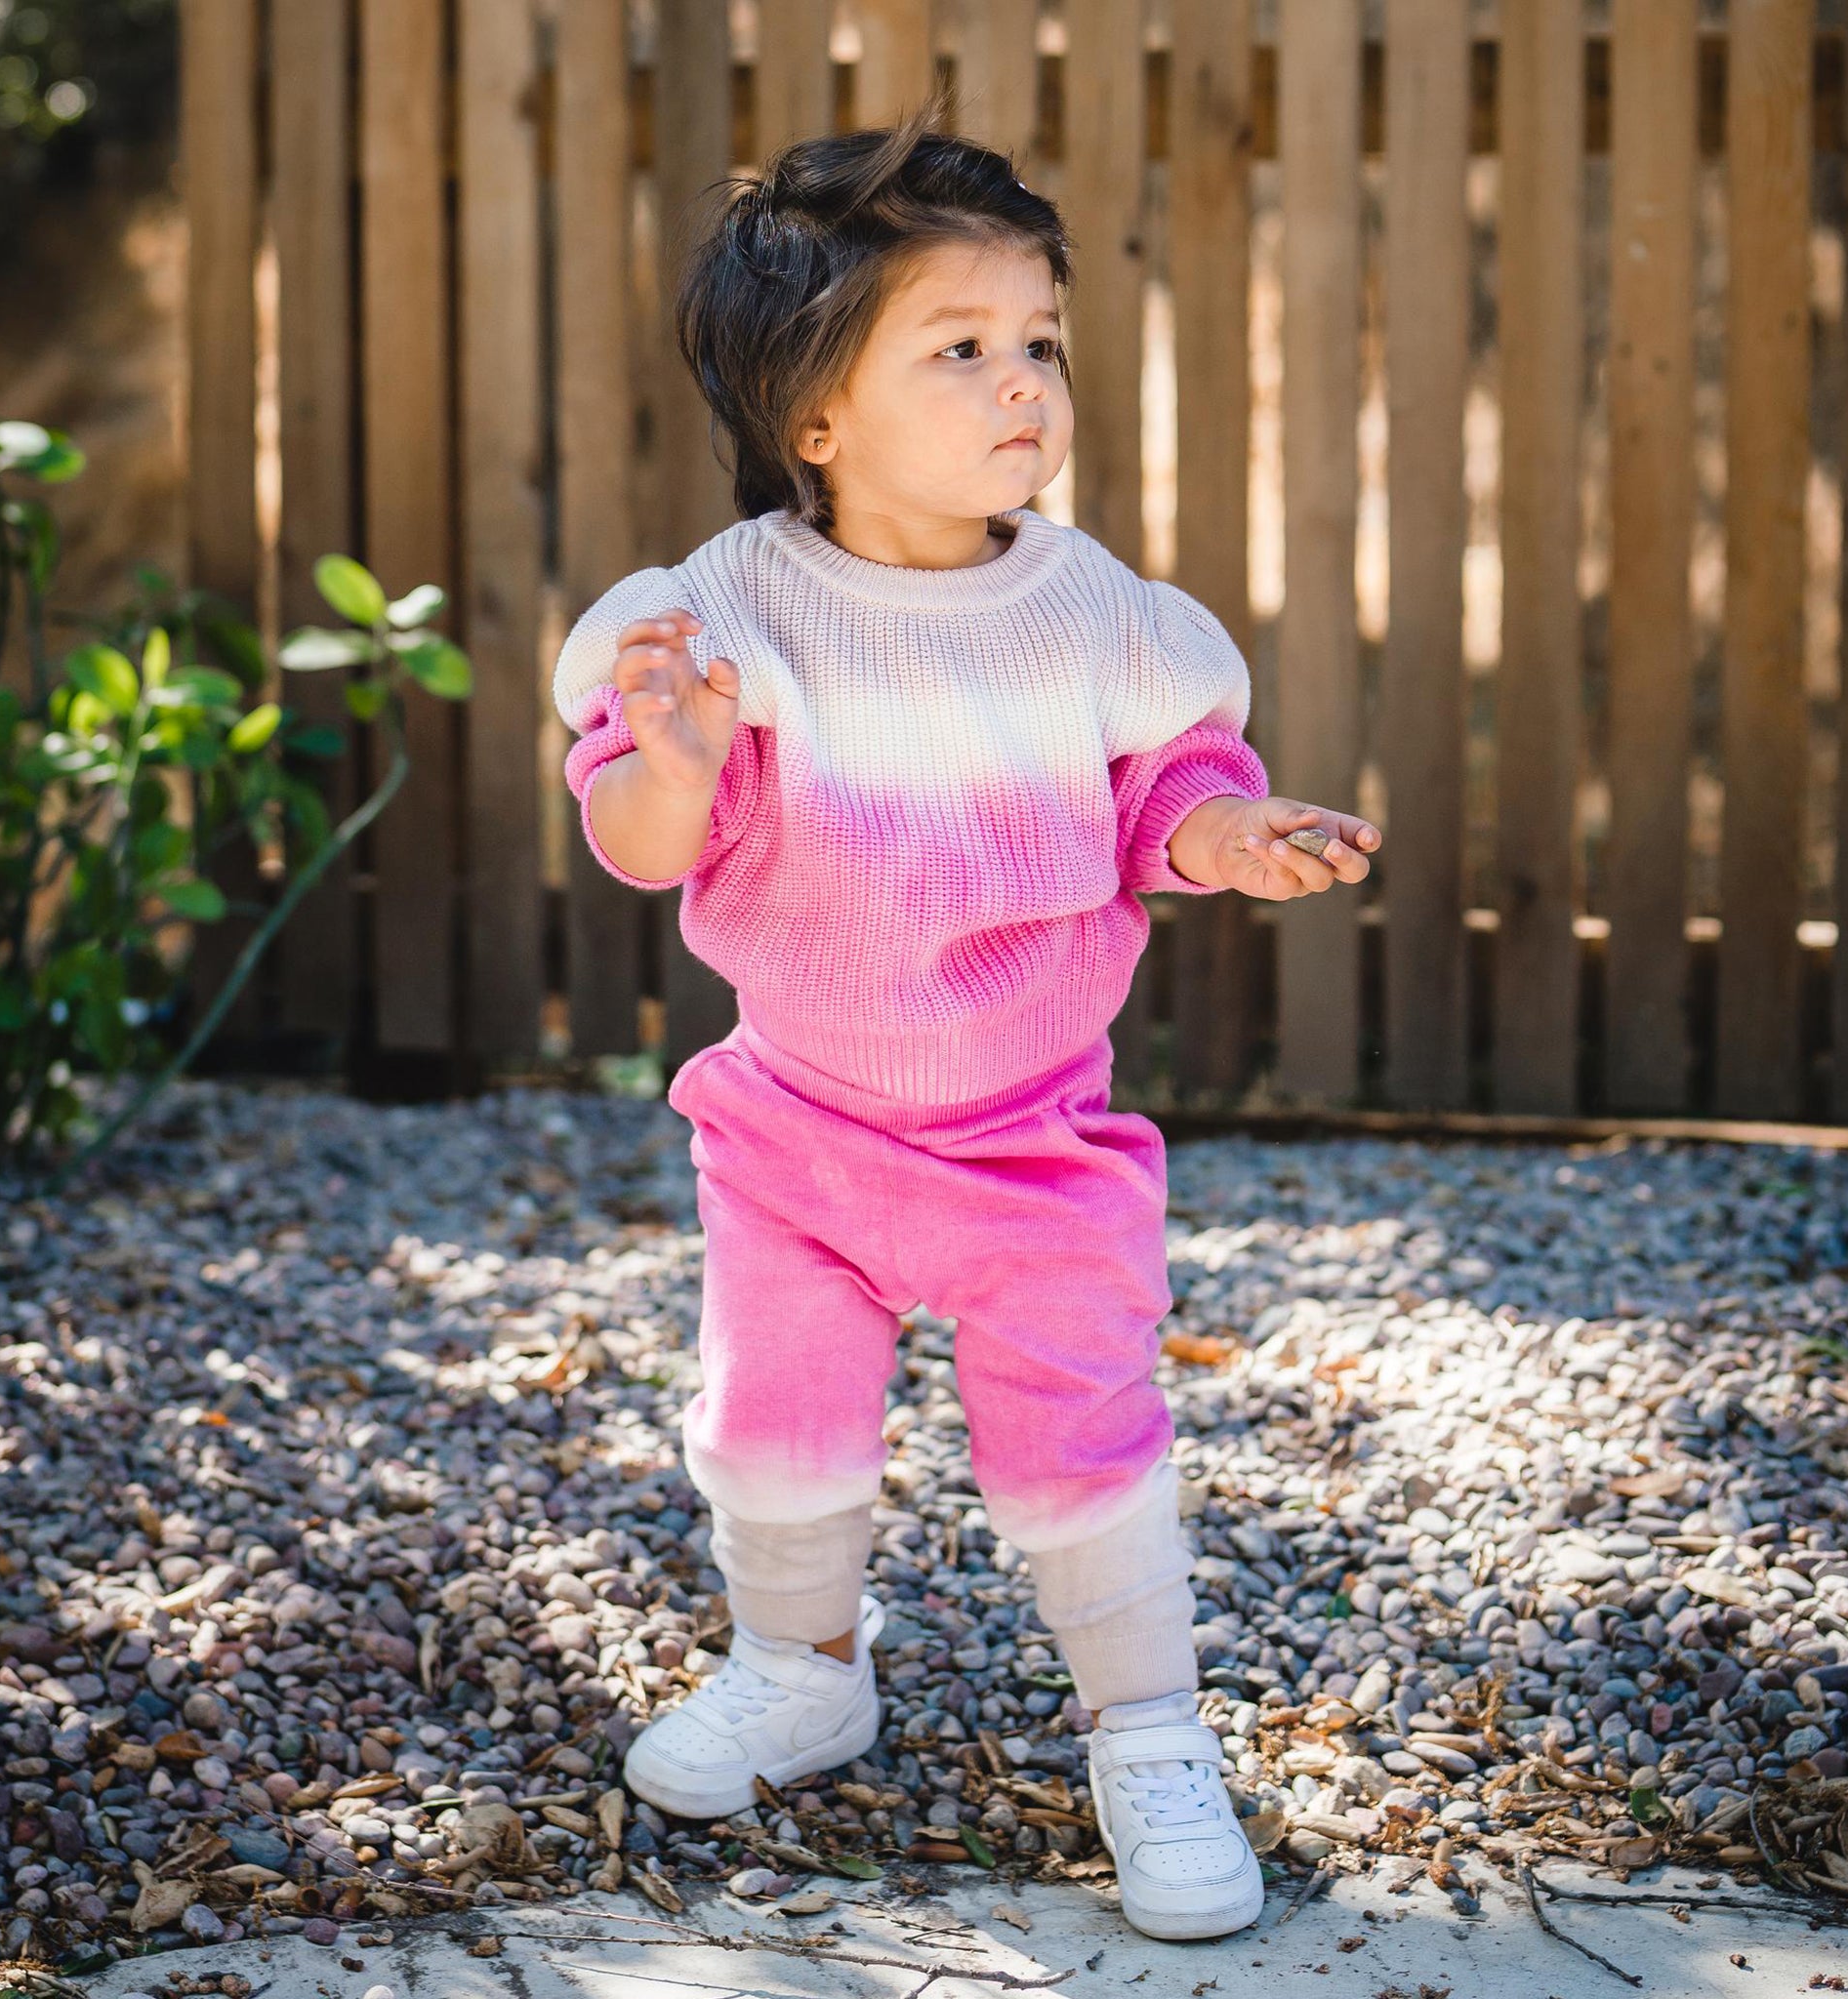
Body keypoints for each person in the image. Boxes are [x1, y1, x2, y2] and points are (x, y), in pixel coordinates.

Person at [550, 102, 1380, 1943]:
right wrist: (671, 767)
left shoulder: (1092, 617)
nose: (1024, 386)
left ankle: (1147, 1728)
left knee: (1083, 1442)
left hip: (1033, 1132)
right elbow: (636, 839)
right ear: (813, 418)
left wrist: (1235, 833)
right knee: (774, 1428)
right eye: (963, 349)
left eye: (1039, 345)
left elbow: (1171, 794)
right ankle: (804, 1667)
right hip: (799, 1127)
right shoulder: (722, 624)